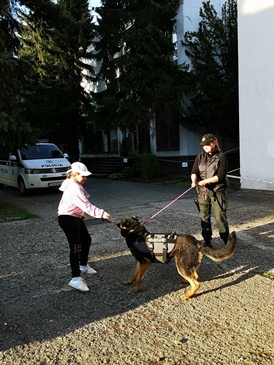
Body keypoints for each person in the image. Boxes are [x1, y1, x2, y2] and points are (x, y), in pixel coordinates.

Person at [58, 161, 112, 292]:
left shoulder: (75, 184)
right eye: (83, 176)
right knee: (76, 246)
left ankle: (83, 265)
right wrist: (102, 213)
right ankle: (75, 278)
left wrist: (81, 214)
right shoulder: (74, 188)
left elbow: (80, 205)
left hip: (75, 217)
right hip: (67, 219)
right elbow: (86, 205)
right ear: (75, 174)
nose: (86, 178)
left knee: (86, 240)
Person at [191, 134, 229, 247]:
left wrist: (205, 181)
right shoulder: (199, 157)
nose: (205, 147)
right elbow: (194, 172)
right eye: (203, 145)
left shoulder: (222, 157)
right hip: (203, 193)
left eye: (207, 144)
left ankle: (227, 242)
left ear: (213, 143)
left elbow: (220, 176)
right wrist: (194, 181)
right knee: (204, 218)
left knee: (220, 218)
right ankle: (207, 241)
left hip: (218, 191)